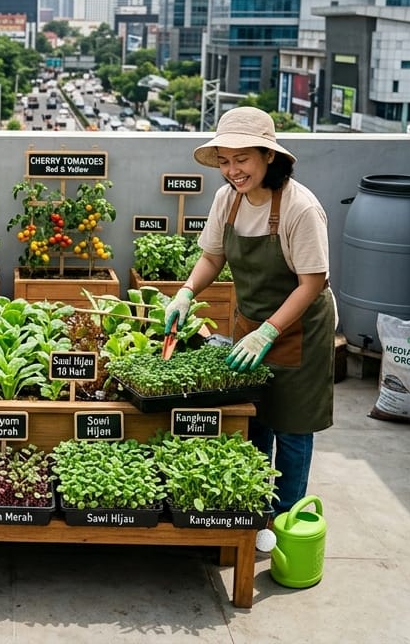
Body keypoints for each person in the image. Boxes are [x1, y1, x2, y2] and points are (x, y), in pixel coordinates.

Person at [164, 106, 335, 514]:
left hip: (298, 331)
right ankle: (253, 514)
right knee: (252, 419)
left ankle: (285, 517)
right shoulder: (228, 200)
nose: (232, 171)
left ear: (269, 155)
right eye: (224, 161)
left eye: (241, 159)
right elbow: (212, 257)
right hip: (250, 322)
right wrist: (186, 291)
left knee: (291, 427)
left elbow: (312, 283)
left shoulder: (300, 208)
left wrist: (270, 331)